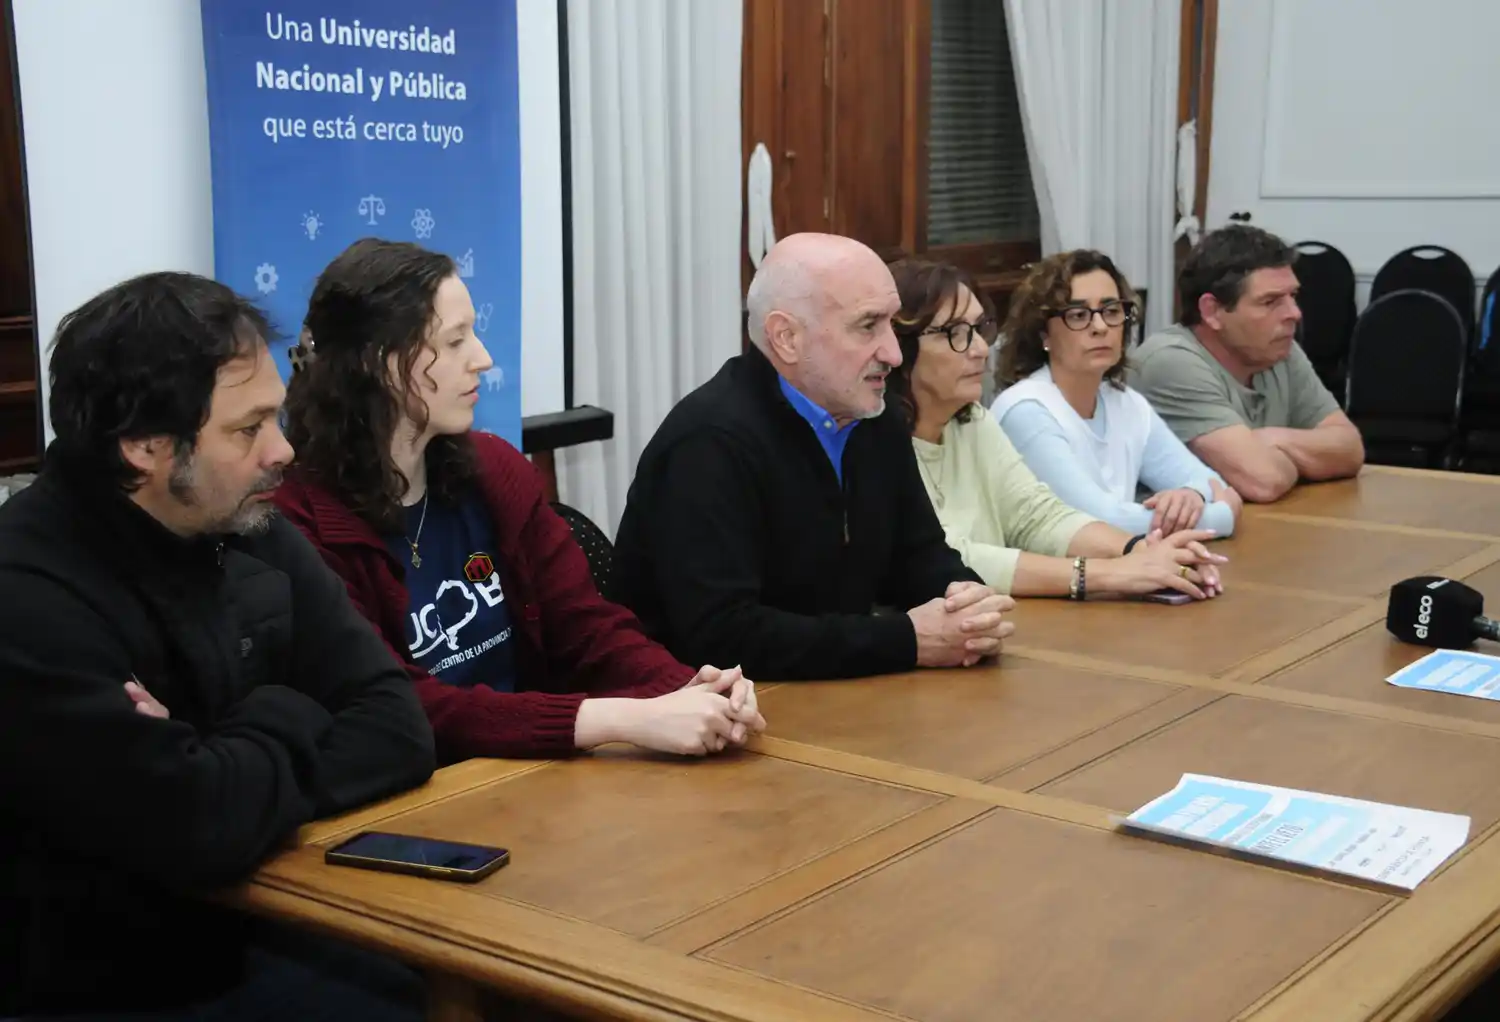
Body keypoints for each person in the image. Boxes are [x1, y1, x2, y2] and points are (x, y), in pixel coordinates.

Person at [0, 273, 437, 1019]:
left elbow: (398, 727)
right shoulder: (27, 593)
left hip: (261, 924)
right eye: (248, 428)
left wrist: (219, 758)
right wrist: (293, 711)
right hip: (100, 987)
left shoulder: (247, 522)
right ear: (145, 446)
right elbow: (195, 828)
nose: (284, 451)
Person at [276, 238, 763, 764]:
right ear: (381, 363)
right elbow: (404, 706)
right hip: (418, 801)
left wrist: (690, 690)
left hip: (530, 777)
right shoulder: (297, 521)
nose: (483, 359)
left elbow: (587, 629)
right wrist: (612, 718)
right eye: (456, 340)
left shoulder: (493, 468)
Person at [612, 232, 1014, 682]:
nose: (894, 353)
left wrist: (966, 603)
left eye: (891, 324)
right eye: (868, 326)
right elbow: (720, 636)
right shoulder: (708, 444)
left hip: (838, 696)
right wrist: (908, 640)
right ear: (787, 337)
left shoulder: (873, 417)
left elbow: (917, 555)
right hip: (705, 713)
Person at [884, 257, 1227, 601]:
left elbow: (1038, 516)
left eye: (978, 329)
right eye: (955, 334)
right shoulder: (873, 441)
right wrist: (1107, 573)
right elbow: (949, 558)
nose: (980, 349)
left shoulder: (972, 421)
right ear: (900, 347)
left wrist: (1140, 551)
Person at [990, 249, 1242, 537]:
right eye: (1078, 314)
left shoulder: (1127, 403)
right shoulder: (1025, 411)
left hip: (1124, 569)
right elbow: (1098, 522)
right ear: (1043, 334)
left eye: (1111, 311)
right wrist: (1221, 516)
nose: (1099, 327)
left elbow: (1211, 484)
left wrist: (1190, 496)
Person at [1131, 225, 1364, 502]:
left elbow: (1350, 448)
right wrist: (1307, 457)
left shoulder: (1279, 350)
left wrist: (1270, 439)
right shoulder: (1169, 361)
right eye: (1270, 301)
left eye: (1293, 296)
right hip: (1161, 538)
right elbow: (1263, 481)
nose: (1295, 313)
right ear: (1212, 311)